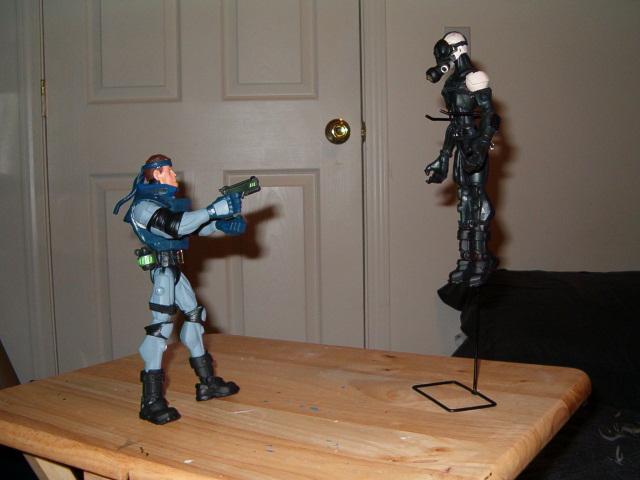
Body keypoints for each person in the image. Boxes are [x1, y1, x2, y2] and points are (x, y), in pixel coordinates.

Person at [113, 154, 245, 425]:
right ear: (157, 174)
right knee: (160, 328)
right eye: (169, 171)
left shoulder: (164, 202)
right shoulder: (143, 207)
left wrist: (220, 223)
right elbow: (174, 227)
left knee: (195, 316)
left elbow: (191, 228)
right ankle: (151, 400)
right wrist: (212, 211)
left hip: (174, 269)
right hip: (162, 272)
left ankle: (207, 382)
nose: (175, 176)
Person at [424, 32, 501, 287]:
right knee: (464, 202)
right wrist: (443, 157)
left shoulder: (474, 78)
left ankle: (481, 260)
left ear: (455, 50)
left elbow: (490, 117)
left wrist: (480, 147)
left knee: (477, 200)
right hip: (460, 147)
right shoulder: (452, 81)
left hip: (474, 147)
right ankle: (467, 259)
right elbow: (454, 125)